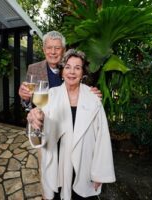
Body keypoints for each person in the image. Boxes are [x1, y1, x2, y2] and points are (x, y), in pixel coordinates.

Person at [27, 49, 116, 200]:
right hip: (58, 166)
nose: (72, 72)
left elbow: (102, 138)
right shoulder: (50, 96)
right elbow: (39, 137)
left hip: (84, 165)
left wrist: (99, 173)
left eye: (77, 67)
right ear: (62, 72)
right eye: (68, 67)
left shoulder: (93, 99)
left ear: (83, 73)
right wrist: (34, 122)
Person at [18, 30, 101, 106]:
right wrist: (26, 98)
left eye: (57, 48)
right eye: (49, 48)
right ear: (44, 50)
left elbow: (85, 94)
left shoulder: (75, 70)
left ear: (64, 50)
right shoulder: (33, 69)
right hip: (41, 120)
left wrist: (92, 93)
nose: (53, 52)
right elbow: (28, 102)